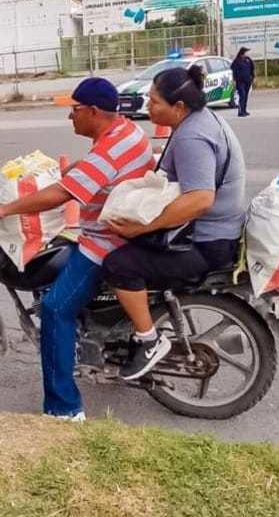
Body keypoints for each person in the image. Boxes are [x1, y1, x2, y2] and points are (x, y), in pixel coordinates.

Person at [0, 77, 154, 421]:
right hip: (123, 232)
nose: (69, 117)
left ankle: (64, 408)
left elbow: (62, 195)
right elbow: (93, 174)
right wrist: (75, 170)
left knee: (56, 309)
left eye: (74, 110)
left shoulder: (107, 150)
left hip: (105, 243)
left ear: (93, 111)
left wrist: (5, 209)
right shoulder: (125, 132)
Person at [101, 65, 246, 380]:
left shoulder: (192, 136)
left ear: (178, 107)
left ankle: (148, 340)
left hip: (206, 243)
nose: (148, 107)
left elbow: (200, 199)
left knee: (117, 264)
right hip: (213, 233)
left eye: (154, 102)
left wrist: (142, 227)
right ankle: (120, 332)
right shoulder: (199, 122)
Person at [231, 47, 255, 116]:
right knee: (242, 95)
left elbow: (252, 68)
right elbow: (233, 69)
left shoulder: (248, 59)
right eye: (245, 52)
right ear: (242, 53)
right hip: (240, 82)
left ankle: (244, 110)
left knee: (246, 96)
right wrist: (234, 80)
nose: (246, 54)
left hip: (247, 81)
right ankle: (240, 112)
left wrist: (252, 77)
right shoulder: (237, 60)